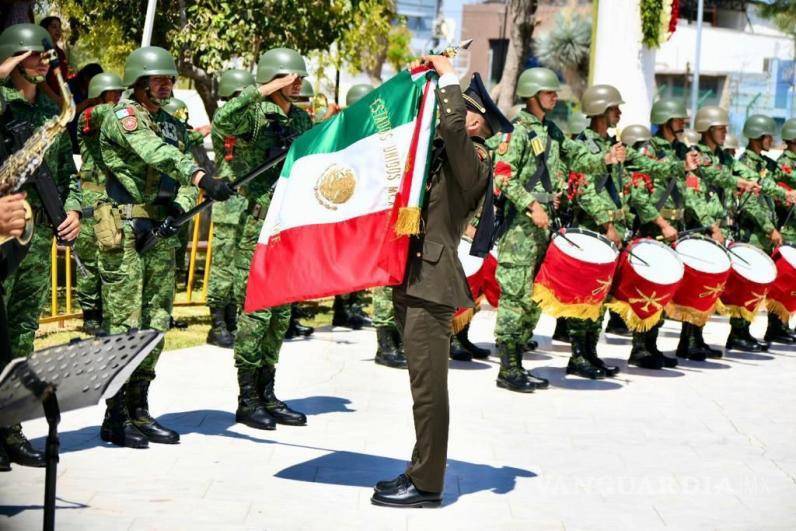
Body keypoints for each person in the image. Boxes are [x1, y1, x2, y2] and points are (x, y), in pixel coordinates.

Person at [370, 58, 511, 508]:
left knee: (430, 388)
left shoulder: (477, 161)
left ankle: (428, 482)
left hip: (433, 281)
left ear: (476, 121)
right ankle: (419, 468)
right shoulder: (451, 156)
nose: (455, 117)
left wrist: (449, 77)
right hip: (413, 274)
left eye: (463, 110)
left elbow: (449, 129)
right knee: (421, 385)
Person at [97, 46, 235, 448]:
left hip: (162, 230)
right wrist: (200, 178)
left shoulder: (171, 123)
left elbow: (182, 163)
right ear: (138, 82)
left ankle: (139, 409)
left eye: (171, 79)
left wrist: (182, 204)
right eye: (159, 79)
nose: (167, 85)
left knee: (157, 322)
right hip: (126, 228)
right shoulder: (121, 117)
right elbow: (158, 155)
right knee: (124, 324)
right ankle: (115, 414)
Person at [489, 68, 622, 391]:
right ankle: (507, 368)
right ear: (532, 95)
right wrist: (532, 206)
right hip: (521, 228)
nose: (555, 97)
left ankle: (518, 362)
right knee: (515, 297)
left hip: (543, 227)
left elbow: (576, 159)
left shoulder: (552, 132)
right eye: (549, 92)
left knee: (534, 296)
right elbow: (502, 176)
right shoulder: (516, 131)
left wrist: (604, 158)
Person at [212, 47, 312, 430]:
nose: (297, 83)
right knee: (256, 312)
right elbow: (222, 120)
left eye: (298, 78)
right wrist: (262, 89)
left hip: (288, 225)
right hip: (256, 225)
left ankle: (268, 392)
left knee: (281, 312)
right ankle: (247, 397)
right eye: (291, 78)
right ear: (275, 78)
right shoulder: (253, 114)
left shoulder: (301, 119)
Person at [0, 23, 82, 468]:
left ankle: (9, 428)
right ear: (14, 57)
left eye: (46, 55)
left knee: (20, 334)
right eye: (34, 54)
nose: (44, 61)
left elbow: (71, 179)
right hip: (0, 233)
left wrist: (75, 212)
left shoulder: (51, 113)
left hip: (32, 243)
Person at [726, 114, 792, 351]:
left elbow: (776, 184)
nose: (770, 139)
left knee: (758, 286)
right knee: (747, 283)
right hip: (752, 233)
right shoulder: (743, 164)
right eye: (766, 136)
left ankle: (746, 330)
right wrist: (769, 228)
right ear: (755, 137)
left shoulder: (765, 165)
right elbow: (751, 203)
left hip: (763, 235)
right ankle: (738, 332)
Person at [206, 68, 256, 348]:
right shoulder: (223, 121)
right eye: (240, 96)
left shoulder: (253, 122)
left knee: (241, 268)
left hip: (247, 206)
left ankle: (233, 319)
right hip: (227, 207)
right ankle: (217, 324)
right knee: (223, 268)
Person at [74, 71, 124, 335]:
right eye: (111, 94)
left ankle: (106, 315)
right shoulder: (89, 116)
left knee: (110, 258)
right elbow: (100, 114)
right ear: (99, 96)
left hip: (111, 201)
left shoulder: (120, 122)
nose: (117, 99)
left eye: (119, 93)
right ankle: (90, 315)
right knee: (88, 264)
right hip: (89, 200)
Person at [332, 83, 376, 332]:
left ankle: (354, 306)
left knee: (360, 257)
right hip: (347, 201)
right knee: (346, 257)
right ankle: (342, 308)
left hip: (364, 201)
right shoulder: (343, 128)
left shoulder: (371, 129)